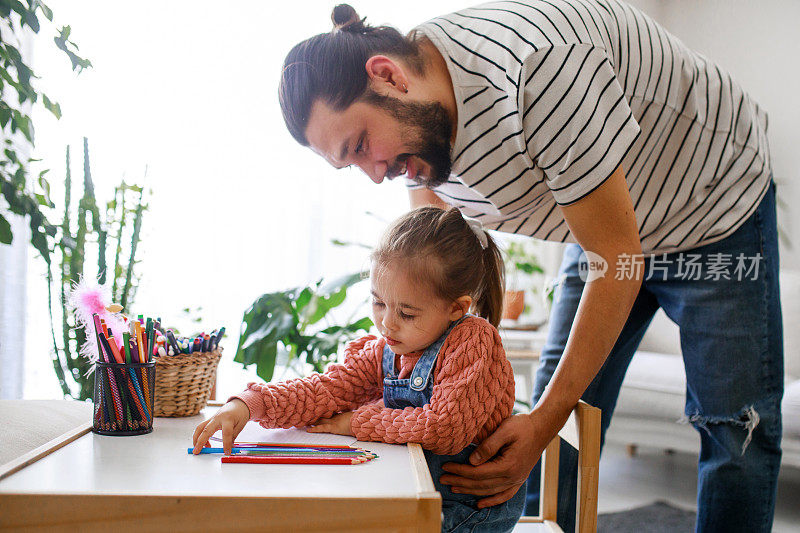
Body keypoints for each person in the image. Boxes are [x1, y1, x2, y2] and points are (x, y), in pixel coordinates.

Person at [277, 2, 783, 532]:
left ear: (388, 76)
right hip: (603, 224)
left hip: (712, 207)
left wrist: (544, 418)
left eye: (360, 145)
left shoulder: (538, 72)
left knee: (735, 429)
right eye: (349, 163)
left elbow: (619, 258)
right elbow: (428, 285)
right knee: (545, 417)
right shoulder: (413, 133)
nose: (374, 174)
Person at [193, 206, 527, 532]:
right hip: (410, 491)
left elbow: (444, 429)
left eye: (407, 314)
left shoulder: (473, 340)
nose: (387, 323)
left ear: (456, 308)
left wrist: (356, 422)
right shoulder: (385, 347)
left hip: (467, 509)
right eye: (379, 302)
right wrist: (251, 404)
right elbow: (327, 389)